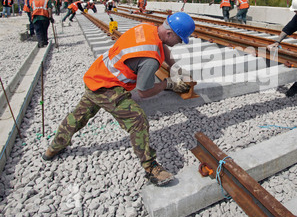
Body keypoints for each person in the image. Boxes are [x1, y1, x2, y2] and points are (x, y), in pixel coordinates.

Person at [42, 12, 196, 187]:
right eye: (180, 39)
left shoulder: (147, 28)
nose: (179, 43)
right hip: (107, 88)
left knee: (78, 116)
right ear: (169, 34)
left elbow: (163, 48)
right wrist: (167, 84)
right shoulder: (150, 59)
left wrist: (174, 66)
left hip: (97, 75)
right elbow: (144, 92)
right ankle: (150, 167)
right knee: (138, 120)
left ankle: (53, 148)